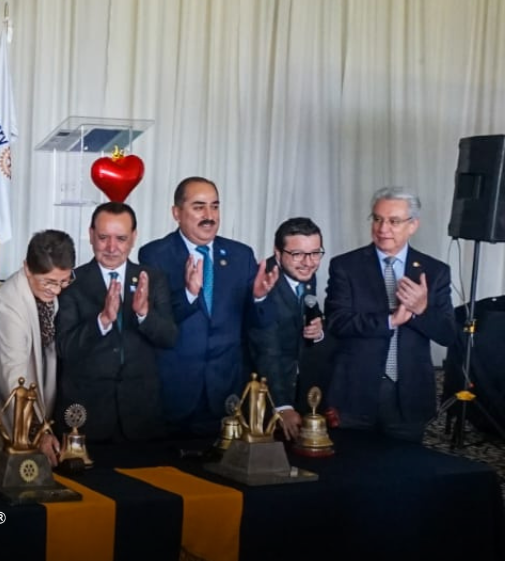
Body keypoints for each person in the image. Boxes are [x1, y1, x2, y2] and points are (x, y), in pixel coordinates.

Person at [138, 176, 277, 437]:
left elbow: (260, 324)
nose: (209, 215)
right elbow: (157, 322)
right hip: (175, 388)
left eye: (215, 206)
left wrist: (259, 297)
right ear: (176, 213)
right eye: (199, 206)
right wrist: (189, 293)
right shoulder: (155, 254)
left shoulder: (241, 255)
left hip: (227, 388)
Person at [326, 187, 454, 442]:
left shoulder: (434, 271)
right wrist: (390, 321)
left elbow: (448, 334)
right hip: (355, 392)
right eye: (377, 219)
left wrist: (420, 310)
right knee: (350, 472)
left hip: (407, 395)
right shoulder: (345, 266)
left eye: (393, 221)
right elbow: (337, 323)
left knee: (404, 475)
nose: (383, 228)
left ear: (413, 225)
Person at [55, 202, 177, 442]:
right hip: (88, 415)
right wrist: (102, 320)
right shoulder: (71, 282)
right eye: (103, 237)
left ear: (133, 237)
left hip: (141, 414)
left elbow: (169, 338)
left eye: (120, 238)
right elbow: (64, 348)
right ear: (90, 235)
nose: (111, 247)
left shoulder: (152, 279)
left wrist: (144, 314)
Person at [0, 230, 75, 460]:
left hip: (41, 413)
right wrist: (38, 432)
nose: (56, 290)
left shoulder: (47, 294)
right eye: (49, 282)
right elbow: (13, 376)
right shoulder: (9, 304)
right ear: (27, 268)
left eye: (63, 281)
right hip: (14, 422)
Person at [246, 217, 333, 439]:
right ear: (278, 253)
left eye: (315, 253)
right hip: (263, 401)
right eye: (297, 254)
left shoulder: (305, 277)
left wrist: (319, 330)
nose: (308, 262)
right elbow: (267, 349)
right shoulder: (264, 283)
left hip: (300, 393)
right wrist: (282, 406)